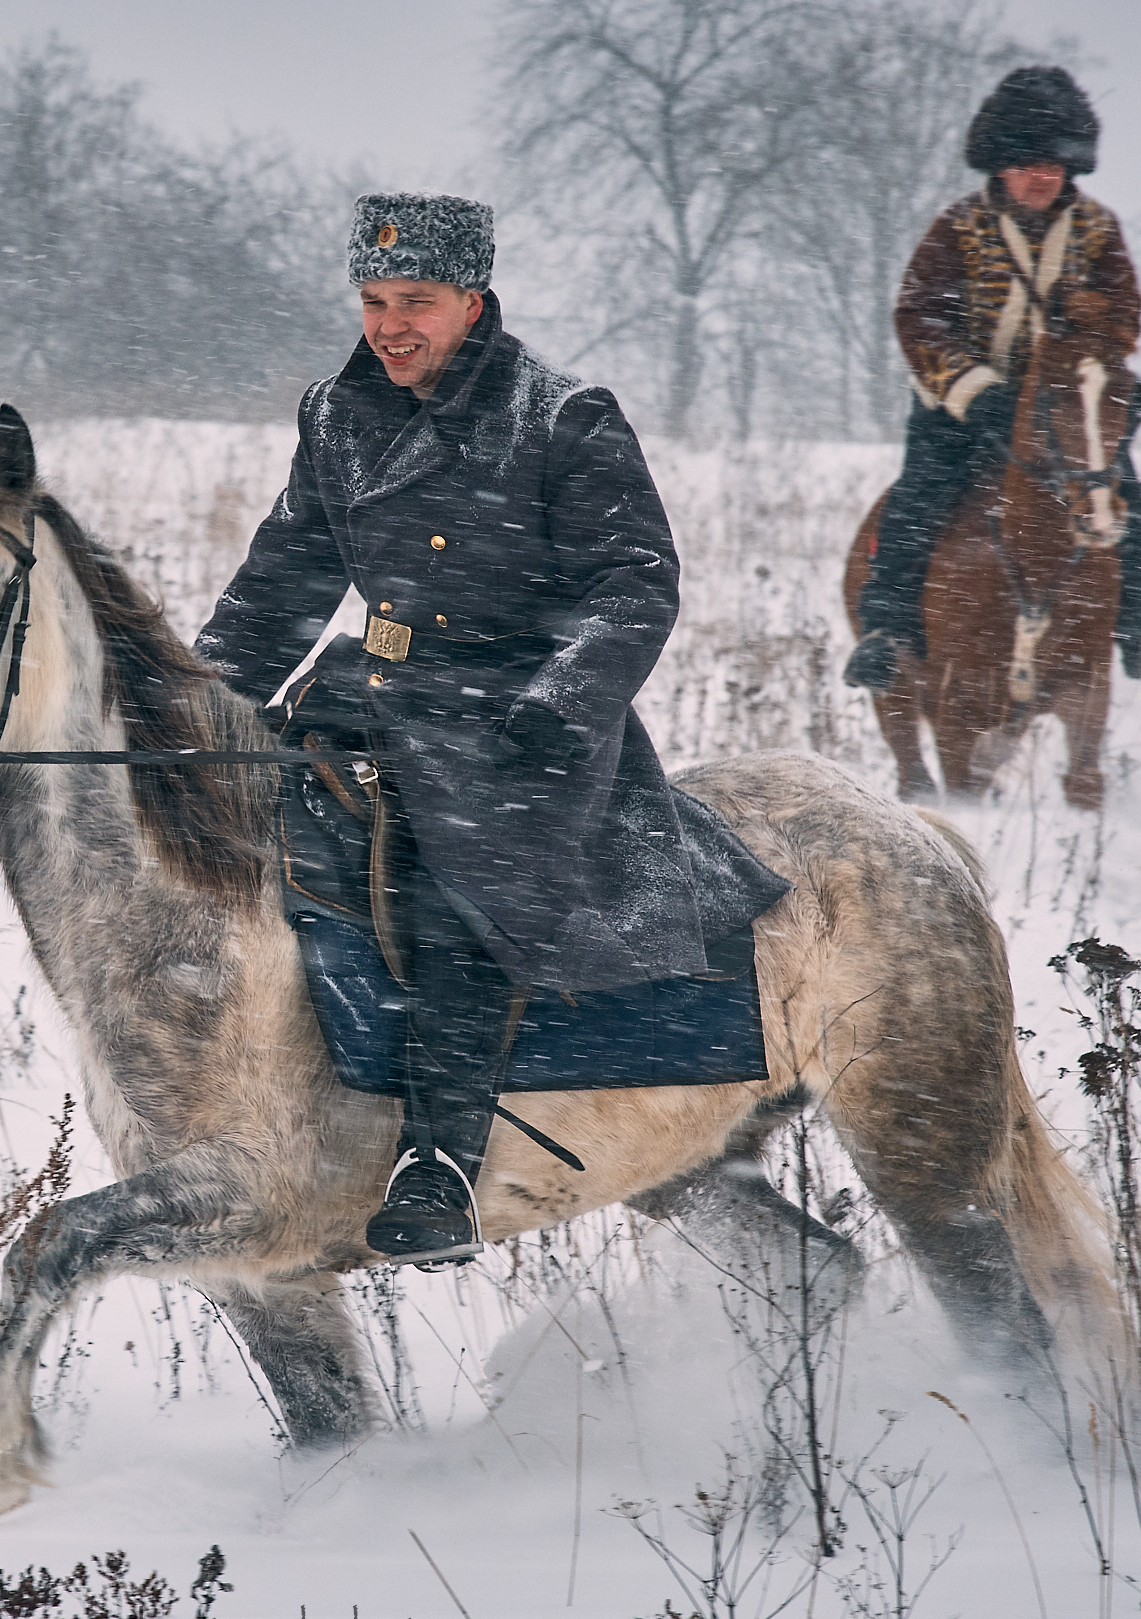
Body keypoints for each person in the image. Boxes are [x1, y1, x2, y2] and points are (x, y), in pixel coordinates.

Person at [194, 194, 787, 1266]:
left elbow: (633, 585)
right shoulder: (336, 414)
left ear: (472, 300)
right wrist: (204, 705)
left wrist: (563, 703)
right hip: (369, 697)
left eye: (414, 301)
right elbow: (284, 577)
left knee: (449, 887)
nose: (390, 325)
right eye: (373, 301)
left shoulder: (562, 418)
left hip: (515, 723)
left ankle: (437, 1164)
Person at [845, 65, 1141, 697]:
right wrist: (976, 391)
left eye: (1057, 166)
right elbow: (920, 318)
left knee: (1125, 503)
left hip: (1065, 410)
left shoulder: (1098, 230)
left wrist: (1088, 332)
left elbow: (1123, 317)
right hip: (964, 406)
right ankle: (887, 628)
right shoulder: (956, 228)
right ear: (1000, 165)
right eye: (1032, 162)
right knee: (920, 499)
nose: (1045, 176)